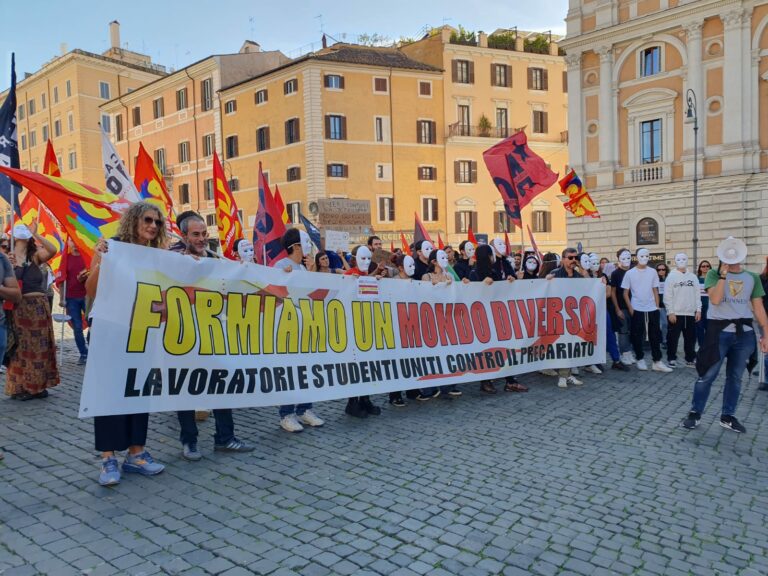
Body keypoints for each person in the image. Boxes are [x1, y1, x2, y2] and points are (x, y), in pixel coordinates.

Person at [85, 201, 167, 486]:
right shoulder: (111, 247)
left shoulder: (157, 256)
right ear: (133, 220)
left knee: (137, 391)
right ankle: (108, 458)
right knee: (108, 392)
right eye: (148, 219)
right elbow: (91, 290)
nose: (153, 226)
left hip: (141, 333)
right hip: (110, 332)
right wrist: (102, 262)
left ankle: (136, 453)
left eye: (157, 222)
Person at [173, 213, 255, 459]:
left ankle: (225, 438)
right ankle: (189, 442)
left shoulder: (213, 258)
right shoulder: (171, 258)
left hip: (213, 335)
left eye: (204, 235)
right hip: (183, 336)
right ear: (184, 236)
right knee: (185, 390)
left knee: (222, 385)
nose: (201, 239)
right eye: (195, 235)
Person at [682, 237, 768, 433]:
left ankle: (727, 416)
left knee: (735, 377)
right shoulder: (713, 274)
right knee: (707, 374)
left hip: (744, 334)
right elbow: (715, 299)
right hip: (718, 332)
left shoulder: (752, 277)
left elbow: (758, 307)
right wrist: (723, 276)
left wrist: (765, 334)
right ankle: (695, 413)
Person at [273, 228, 326, 431]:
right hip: (288, 327)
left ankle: (305, 409)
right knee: (290, 371)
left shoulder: (303, 268)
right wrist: (283, 277)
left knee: (306, 370)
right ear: (295, 246)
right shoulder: (281, 266)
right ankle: (286, 414)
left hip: (306, 327)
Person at [5, 223, 60, 401]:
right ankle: (21, 387)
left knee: (40, 348)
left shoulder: (35, 256)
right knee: (21, 349)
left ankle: (37, 387)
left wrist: (36, 233)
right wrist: (10, 266)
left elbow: (53, 249)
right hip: (19, 309)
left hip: (38, 307)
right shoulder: (7, 257)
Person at [468, 244, 522, 394]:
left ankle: (510, 380)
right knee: (486, 351)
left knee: (505, 349)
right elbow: (471, 296)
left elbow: (502, 291)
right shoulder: (474, 274)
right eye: (491, 255)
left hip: (497, 316)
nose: (493, 258)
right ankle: (486, 381)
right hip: (483, 318)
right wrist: (482, 286)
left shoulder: (495, 272)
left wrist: (509, 281)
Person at [343, 245, 384, 415]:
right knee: (355, 366)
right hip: (353, 329)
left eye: (369, 259)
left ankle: (365, 399)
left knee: (367, 366)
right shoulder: (349, 274)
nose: (367, 262)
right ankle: (352, 403)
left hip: (366, 327)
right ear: (355, 259)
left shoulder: (366, 275)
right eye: (363, 259)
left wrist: (377, 278)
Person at [621, 248, 672, 373]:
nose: (644, 258)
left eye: (647, 255)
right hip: (637, 308)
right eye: (642, 255)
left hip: (652, 308)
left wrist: (656, 306)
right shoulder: (630, 273)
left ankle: (657, 361)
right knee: (637, 335)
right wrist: (631, 308)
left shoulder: (653, 272)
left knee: (655, 335)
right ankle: (640, 358)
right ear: (636, 257)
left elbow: (655, 289)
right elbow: (625, 293)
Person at [545, 248, 588, 388]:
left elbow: (591, 288)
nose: (573, 260)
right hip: (558, 315)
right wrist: (547, 280)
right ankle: (563, 376)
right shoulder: (555, 274)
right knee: (562, 346)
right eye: (570, 258)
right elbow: (543, 289)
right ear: (563, 259)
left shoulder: (579, 275)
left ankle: (567, 374)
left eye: (576, 257)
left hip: (574, 316)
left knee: (572, 345)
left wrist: (584, 271)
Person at [664, 253, 701, 368]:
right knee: (673, 338)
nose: (681, 261)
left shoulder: (693, 277)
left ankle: (690, 358)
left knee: (690, 338)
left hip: (690, 313)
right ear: (675, 261)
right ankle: (671, 358)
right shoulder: (671, 277)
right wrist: (670, 311)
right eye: (678, 259)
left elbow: (697, 294)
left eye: (684, 259)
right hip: (676, 313)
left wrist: (698, 310)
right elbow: (667, 296)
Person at [57, 238, 89, 365]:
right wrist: (61, 299)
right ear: (69, 242)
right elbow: (61, 280)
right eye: (72, 241)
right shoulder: (66, 258)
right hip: (71, 298)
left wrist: (85, 277)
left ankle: (93, 346)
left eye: (76, 241)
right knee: (77, 327)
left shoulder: (86, 256)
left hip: (87, 296)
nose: (75, 244)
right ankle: (83, 353)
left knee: (93, 323)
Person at [389, 254, 416, 407]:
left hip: (411, 326)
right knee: (397, 362)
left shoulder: (416, 281)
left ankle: (411, 390)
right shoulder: (392, 282)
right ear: (400, 267)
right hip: (397, 327)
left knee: (411, 361)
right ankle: (395, 395)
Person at [611, 248, 634, 365]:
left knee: (633, 330)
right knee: (623, 331)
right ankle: (625, 353)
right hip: (622, 306)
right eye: (623, 258)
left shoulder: (634, 271)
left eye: (628, 257)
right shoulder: (615, 273)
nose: (626, 260)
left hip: (636, 306)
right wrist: (617, 308)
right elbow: (613, 292)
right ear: (618, 258)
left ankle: (630, 352)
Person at [696, 260, 712, 348]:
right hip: (699, 307)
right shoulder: (696, 279)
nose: (705, 268)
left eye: (707, 266)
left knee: (709, 327)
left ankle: (709, 345)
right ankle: (701, 345)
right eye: (703, 266)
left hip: (711, 306)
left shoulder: (713, 279)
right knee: (699, 327)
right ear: (700, 268)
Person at [759, 258, 768, 391]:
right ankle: (765, 379)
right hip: (766, 317)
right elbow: (758, 299)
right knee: (766, 350)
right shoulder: (762, 277)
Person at [656, 262, 668, 348]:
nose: (661, 271)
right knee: (663, 324)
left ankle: (667, 340)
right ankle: (663, 340)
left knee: (668, 325)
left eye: (663, 269)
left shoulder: (669, 279)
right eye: (659, 269)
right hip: (659, 305)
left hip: (669, 305)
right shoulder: (655, 280)